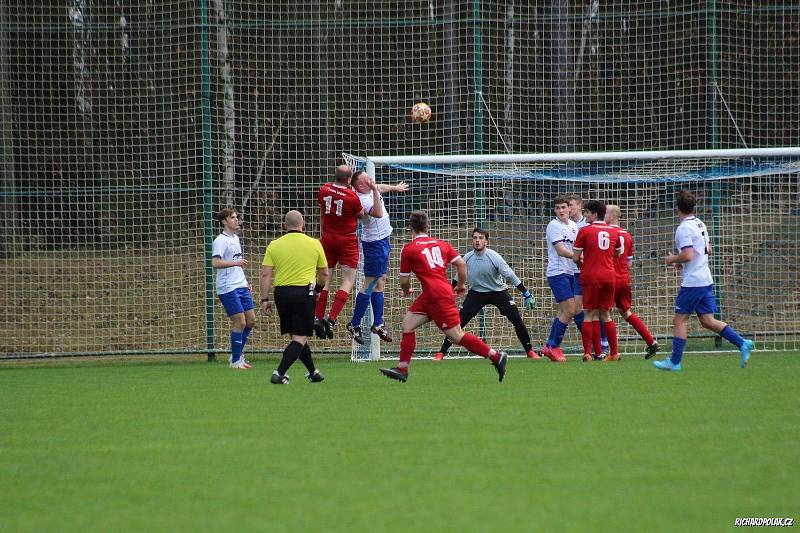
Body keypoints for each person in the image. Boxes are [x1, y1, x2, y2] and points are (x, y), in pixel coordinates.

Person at [379, 211, 508, 383]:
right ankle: (402, 369)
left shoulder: (409, 249)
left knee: (456, 335)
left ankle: (496, 356)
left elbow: (404, 280)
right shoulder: (442, 244)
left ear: (409, 227)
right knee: (408, 324)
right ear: (428, 226)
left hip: (437, 296)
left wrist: (406, 290)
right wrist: (461, 284)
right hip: (434, 294)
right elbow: (461, 264)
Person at [653, 190, 754, 371]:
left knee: (679, 320)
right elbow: (707, 249)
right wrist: (683, 262)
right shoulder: (700, 223)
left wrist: (673, 259)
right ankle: (742, 343)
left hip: (693, 282)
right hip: (705, 278)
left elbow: (688, 254)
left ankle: (675, 362)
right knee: (707, 320)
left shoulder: (683, 228)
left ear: (677, 208)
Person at [432, 227, 537, 360]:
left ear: (486, 241)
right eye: (475, 238)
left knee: (516, 319)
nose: (477, 241)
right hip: (476, 294)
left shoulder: (494, 257)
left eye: (481, 238)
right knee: (457, 323)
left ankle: (530, 351)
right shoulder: (467, 258)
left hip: (498, 292)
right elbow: (457, 278)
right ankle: (441, 352)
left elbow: (510, 276)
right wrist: (446, 294)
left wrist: (526, 293)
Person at [260, 210, 329, 384]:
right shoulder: (314, 244)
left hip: (282, 294)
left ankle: (313, 372)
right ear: (303, 224)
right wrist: (319, 289)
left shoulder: (274, 245)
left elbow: (265, 274)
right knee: (299, 337)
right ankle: (279, 373)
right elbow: (324, 273)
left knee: (296, 336)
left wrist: (264, 299)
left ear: (284, 225)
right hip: (304, 293)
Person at [315, 165, 383, 339]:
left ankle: (318, 316)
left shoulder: (323, 190)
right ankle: (331, 319)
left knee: (325, 279)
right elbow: (361, 215)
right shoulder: (352, 197)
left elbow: (323, 207)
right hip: (347, 240)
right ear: (348, 180)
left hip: (327, 238)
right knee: (347, 280)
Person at [346, 170, 408, 345]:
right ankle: (355, 323)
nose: (372, 181)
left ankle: (378, 323)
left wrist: (395, 187)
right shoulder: (362, 200)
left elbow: (380, 187)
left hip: (383, 241)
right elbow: (379, 213)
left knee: (380, 281)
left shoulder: (370, 190)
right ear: (360, 186)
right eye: (368, 180)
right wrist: (374, 190)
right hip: (374, 244)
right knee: (370, 282)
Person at [604, 204, 659, 358]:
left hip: (610, 278)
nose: (603, 214)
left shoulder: (607, 233)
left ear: (614, 215)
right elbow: (629, 263)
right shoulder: (627, 235)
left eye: (606, 212)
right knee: (626, 312)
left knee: (602, 313)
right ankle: (651, 342)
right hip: (624, 278)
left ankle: (611, 352)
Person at [572, 200, 623, 361]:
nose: (585, 215)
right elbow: (618, 253)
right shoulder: (614, 231)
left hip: (591, 276)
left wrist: (583, 263)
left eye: (587, 212)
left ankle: (588, 352)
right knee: (606, 314)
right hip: (609, 276)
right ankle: (614, 353)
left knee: (589, 314)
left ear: (594, 214)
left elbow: (575, 257)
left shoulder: (585, 231)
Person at [211, 208, 255, 370]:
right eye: (233, 218)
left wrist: (245, 282)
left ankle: (236, 354)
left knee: (251, 320)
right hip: (227, 287)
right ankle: (236, 361)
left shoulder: (236, 238)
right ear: (224, 222)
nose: (236, 220)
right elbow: (215, 263)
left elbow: (238, 264)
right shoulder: (220, 241)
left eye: (237, 217)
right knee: (240, 321)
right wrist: (236, 263)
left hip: (240, 285)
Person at [567, 193, 609, 355]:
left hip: (590, 272)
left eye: (571, 205)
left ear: (579, 205)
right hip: (577, 272)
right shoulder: (568, 225)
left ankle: (601, 345)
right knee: (579, 310)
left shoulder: (589, 225)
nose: (569, 209)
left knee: (597, 310)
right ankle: (594, 343)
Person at [538, 196, 579, 362]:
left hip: (569, 272)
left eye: (564, 207)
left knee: (567, 311)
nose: (561, 211)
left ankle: (549, 346)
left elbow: (576, 248)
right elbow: (561, 250)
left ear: (570, 209)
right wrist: (578, 257)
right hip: (557, 272)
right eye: (558, 208)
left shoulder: (574, 226)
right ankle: (553, 347)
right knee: (569, 310)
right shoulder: (553, 225)